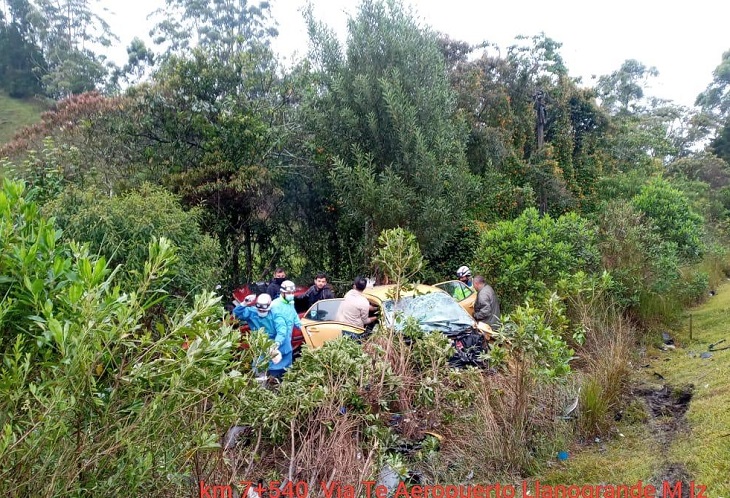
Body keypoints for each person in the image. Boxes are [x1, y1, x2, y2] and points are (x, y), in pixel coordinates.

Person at [232, 294, 286, 378]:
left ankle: (277, 382)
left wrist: (276, 344)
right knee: (258, 366)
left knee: (278, 368)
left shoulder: (276, 315)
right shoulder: (252, 312)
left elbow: (282, 330)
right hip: (259, 345)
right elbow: (236, 313)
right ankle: (261, 385)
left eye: (263, 311)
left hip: (274, 344)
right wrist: (245, 303)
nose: (261, 312)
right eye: (259, 310)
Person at [268, 280, 300, 380]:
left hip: (287, 339)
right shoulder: (274, 305)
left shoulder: (290, 303)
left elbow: (294, 315)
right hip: (276, 340)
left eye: (292, 293)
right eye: (289, 293)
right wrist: (277, 343)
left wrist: (300, 325)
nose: (291, 295)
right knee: (274, 365)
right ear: (282, 292)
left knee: (287, 367)